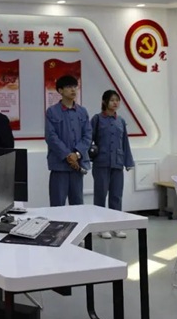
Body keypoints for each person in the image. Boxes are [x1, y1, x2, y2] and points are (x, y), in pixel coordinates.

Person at [91, 90, 135, 239]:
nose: (115, 103)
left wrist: (128, 162)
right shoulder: (97, 119)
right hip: (101, 163)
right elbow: (89, 139)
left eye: (117, 100)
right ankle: (101, 227)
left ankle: (116, 226)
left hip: (117, 163)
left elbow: (125, 142)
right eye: (112, 100)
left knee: (116, 196)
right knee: (100, 195)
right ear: (104, 102)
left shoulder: (120, 121)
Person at [44, 75, 91, 207]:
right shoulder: (52, 112)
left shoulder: (82, 112)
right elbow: (51, 136)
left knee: (78, 204)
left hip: (77, 165)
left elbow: (88, 135)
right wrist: (67, 155)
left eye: (75, 87)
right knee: (57, 204)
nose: (73, 90)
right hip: (59, 166)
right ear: (60, 90)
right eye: (69, 87)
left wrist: (77, 154)